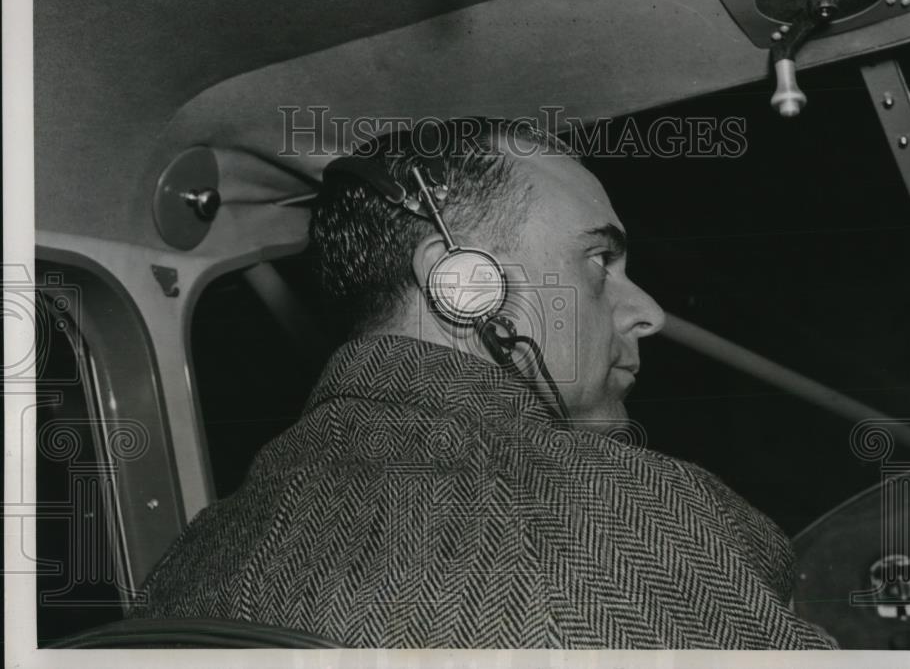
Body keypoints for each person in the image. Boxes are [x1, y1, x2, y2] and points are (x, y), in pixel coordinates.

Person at [129, 117, 837, 649]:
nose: (646, 312)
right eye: (599, 261)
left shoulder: (189, 564)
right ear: (465, 284)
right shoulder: (633, 515)